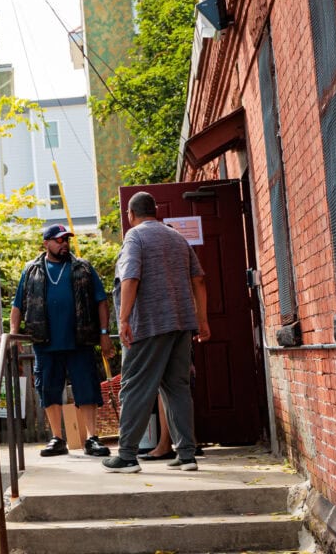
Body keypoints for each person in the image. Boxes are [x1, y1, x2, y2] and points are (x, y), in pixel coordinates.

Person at [103, 192, 211, 473]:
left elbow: (130, 278)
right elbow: (199, 279)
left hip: (148, 325)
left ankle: (127, 455)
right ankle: (187, 454)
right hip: (181, 324)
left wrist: (124, 319)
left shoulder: (135, 238)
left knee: (136, 386)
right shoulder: (177, 238)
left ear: (130, 214)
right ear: (156, 211)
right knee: (177, 387)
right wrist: (203, 320)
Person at [10, 224, 116, 458]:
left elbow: (101, 301)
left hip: (80, 340)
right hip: (45, 342)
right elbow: (18, 305)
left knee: (87, 389)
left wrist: (104, 333)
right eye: (59, 240)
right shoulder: (31, 270)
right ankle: (57, 438)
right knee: (48, 390)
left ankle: (92, 438)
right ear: (46, 243)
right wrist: (14, 333)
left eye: (66, 240)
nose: (64, 244)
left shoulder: (83, 268)